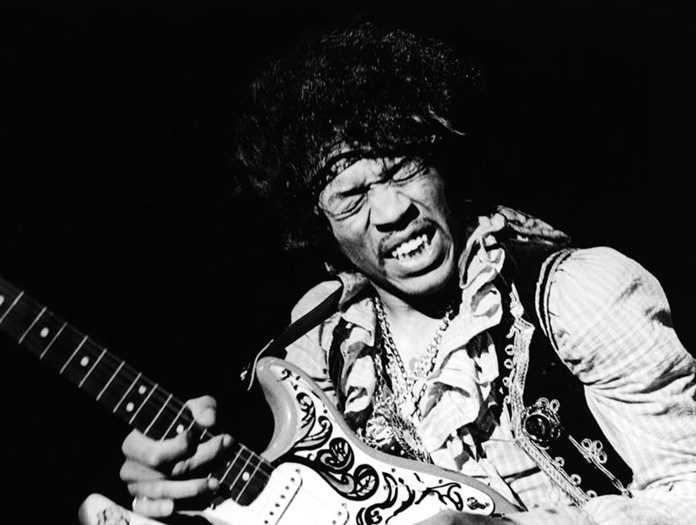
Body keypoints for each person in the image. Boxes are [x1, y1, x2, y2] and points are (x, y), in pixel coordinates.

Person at [118, 23, 696, 525]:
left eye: (402, 166)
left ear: (445, 163)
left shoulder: (578, 292)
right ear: (319, 225)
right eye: (350, 195)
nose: (392, 211)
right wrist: (202, 488)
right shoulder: (322, 341)